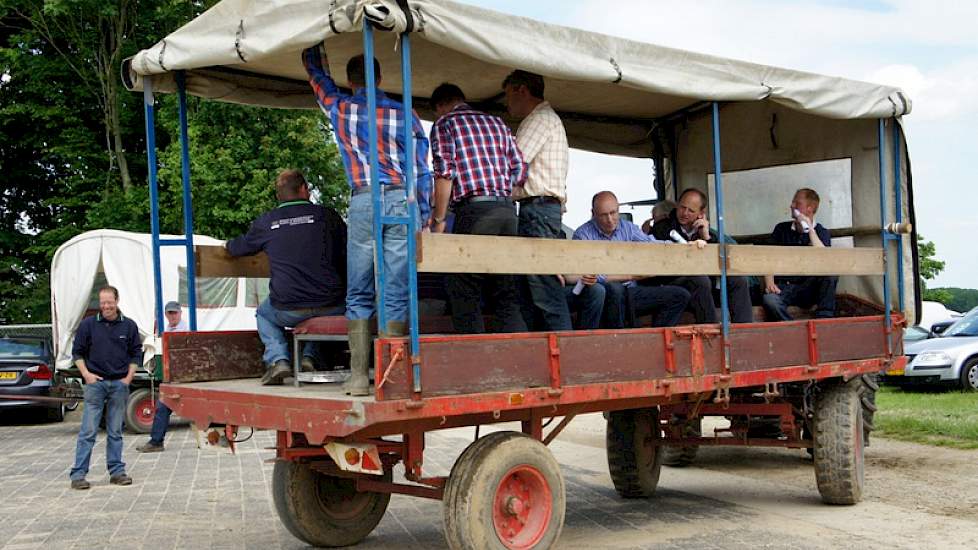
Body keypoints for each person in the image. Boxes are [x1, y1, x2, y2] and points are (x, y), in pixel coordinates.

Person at [303, 42, 432, 396]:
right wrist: (423, 212)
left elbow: (316, 79)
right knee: (395, 287)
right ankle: (390, 375)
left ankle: (359, 376)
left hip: (363, 199)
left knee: (358, 287)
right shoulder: (406, 114)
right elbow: (422, 172)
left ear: (350, 79)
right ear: (379, 77)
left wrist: (315, 53)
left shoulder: (340, 107)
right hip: (400, 200)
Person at [226, 169, 347, 385]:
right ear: (304, 189)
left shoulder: (267, 222)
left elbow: (238, 247)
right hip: (332, 304)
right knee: (324, 314)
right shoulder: (327, 216)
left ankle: (278, 360)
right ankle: (310, 356)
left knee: (264, 314)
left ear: (278, 195)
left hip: (287, 306)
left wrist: (228, 245)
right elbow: (348, 250)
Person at [428, 83, 527, 334]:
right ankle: (518, 358)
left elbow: (444, 174)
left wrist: (439, 220)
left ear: (440, 106)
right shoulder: (497, 123)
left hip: (475, 212)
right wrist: (499, 191)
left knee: (462, 288)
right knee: (505, 290)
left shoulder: (445, 124)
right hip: (506, 212)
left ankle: (474, 360)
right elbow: (520, 170)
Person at [502, 69, 573, 332]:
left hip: (538, 209)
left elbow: (513, 164)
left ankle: (562, 354)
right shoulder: (546, 119)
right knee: (534, 288)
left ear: (522, 90)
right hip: (542, 209)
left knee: (543, 290)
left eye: (509, 95)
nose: (507, 104)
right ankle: (550, 353)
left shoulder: (538, 119)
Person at [570, 191, 691, 328]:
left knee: (680, 296)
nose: (610, 219)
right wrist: (628, 276)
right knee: (614, 289)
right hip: (605, 297)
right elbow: (588, 276)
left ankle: (654, 341)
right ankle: (618, 341)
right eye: (604, 215)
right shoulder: (582, 235)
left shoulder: (628, 228)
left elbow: (653, 245)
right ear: (593, 213)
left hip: (631, 292)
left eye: (613, 213)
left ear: (618, 210)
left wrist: (684, 246)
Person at [69, 285, 141, 490]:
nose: (106, 306)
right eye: (102, 303)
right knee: (88, 431)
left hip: (119, 385)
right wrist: (86, 375)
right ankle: (78, 475)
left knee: (116, 431)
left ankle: (117, 472)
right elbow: (77, 353)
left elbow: (136, 354)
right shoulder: (88, 325)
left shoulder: (129, 326)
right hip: (95, 385)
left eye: (109, 302)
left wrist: (128, 379)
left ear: (117, 301)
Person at [650, 188, 753, 323]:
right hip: (675, 281)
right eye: (682, 207)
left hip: (706, 284)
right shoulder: (662, 227)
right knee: (699, 279)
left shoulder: (706, 231)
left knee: (738, 280)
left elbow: (719, 261)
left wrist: (706, 237)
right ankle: (710, 330)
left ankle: (743, 330)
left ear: (701, 213)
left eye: (691, 210)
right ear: (677, 205)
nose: (685, 213)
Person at [762, 188, 838, 320]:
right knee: (770, 300)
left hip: (808, 288)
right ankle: (794, 328)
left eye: (797, 203)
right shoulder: (781, 229)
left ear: (810, 208)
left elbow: (826, 261)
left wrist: (810, 230)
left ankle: (824, 321)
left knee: (831, 274)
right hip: (783, 287)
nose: (792, 206)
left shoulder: (821, 232)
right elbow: (768, 256)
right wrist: (769, 281)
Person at [136, 301, 186, 453]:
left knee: (163, 406)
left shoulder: (184, 329)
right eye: (169, 313)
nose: (172, 316)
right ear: (166, 314)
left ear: (180, 313)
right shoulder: (167, 330)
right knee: (162, 407)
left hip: (183, 377)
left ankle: (156, 441)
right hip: (173, 376)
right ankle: (156, 441)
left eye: (174, 313)